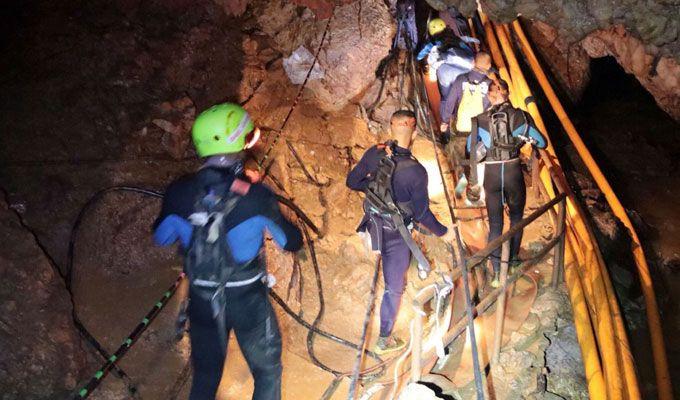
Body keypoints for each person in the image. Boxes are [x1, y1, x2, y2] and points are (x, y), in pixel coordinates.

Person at [153, 103, 303, 400]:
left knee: (206, 377)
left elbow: (161, 237)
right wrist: (263, 197)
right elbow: (291, 242)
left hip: (203, 298)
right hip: (247, 299)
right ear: (238, 142)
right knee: (267, 371)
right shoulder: (256, 196)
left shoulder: (178, 191)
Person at [346, 110, 454, 354]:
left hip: (371, 226)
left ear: (390, 128)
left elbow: (352, 182)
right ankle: (384, 339)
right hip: (396, 236)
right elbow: (422, 214)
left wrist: (375, 193)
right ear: (414, 133)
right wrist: (444, 232)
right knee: (394, 287)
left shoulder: (374, 153)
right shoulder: (416, 171)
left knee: (389, 261)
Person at [466, 80, 547, 287]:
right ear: (508, 93)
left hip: (491, 175)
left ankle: (496, 273)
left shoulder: (478, 120)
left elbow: (470, 148)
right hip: (512, 172)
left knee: (495, 224)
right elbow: (542, 141)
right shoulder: (520, 116)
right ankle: (511, 263)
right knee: (516, 219)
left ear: (489, 96)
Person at [417, 18, 477, 112]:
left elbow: (419, 56)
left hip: (447, 74)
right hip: (465, 68)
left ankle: (448, 114)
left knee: (447, 97)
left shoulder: (432, 44)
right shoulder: (456, 39)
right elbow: (468, 50)